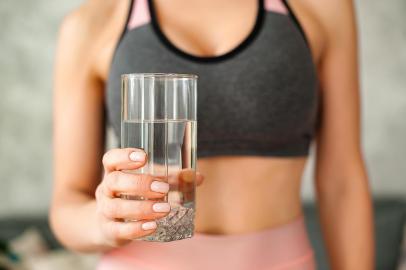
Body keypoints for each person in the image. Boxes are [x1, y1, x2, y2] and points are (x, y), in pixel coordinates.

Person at [50, 0, 375, 269]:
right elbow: (67, 203)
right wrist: (102, 221)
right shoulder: (93, 22)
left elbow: (342, 180)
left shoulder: (322, 7)